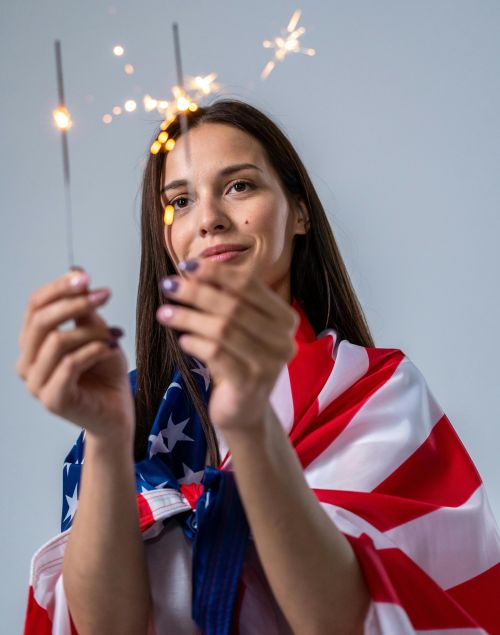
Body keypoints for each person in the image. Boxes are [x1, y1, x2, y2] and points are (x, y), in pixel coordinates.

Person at [18, 100, 500, 635]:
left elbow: (341, 620)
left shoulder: (375, 390)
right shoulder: (135, 407)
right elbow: (105, 628)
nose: (209, 220)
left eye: (239, 186)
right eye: (180, 200)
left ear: (299, 211)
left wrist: (249, 426)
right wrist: (107, 435)